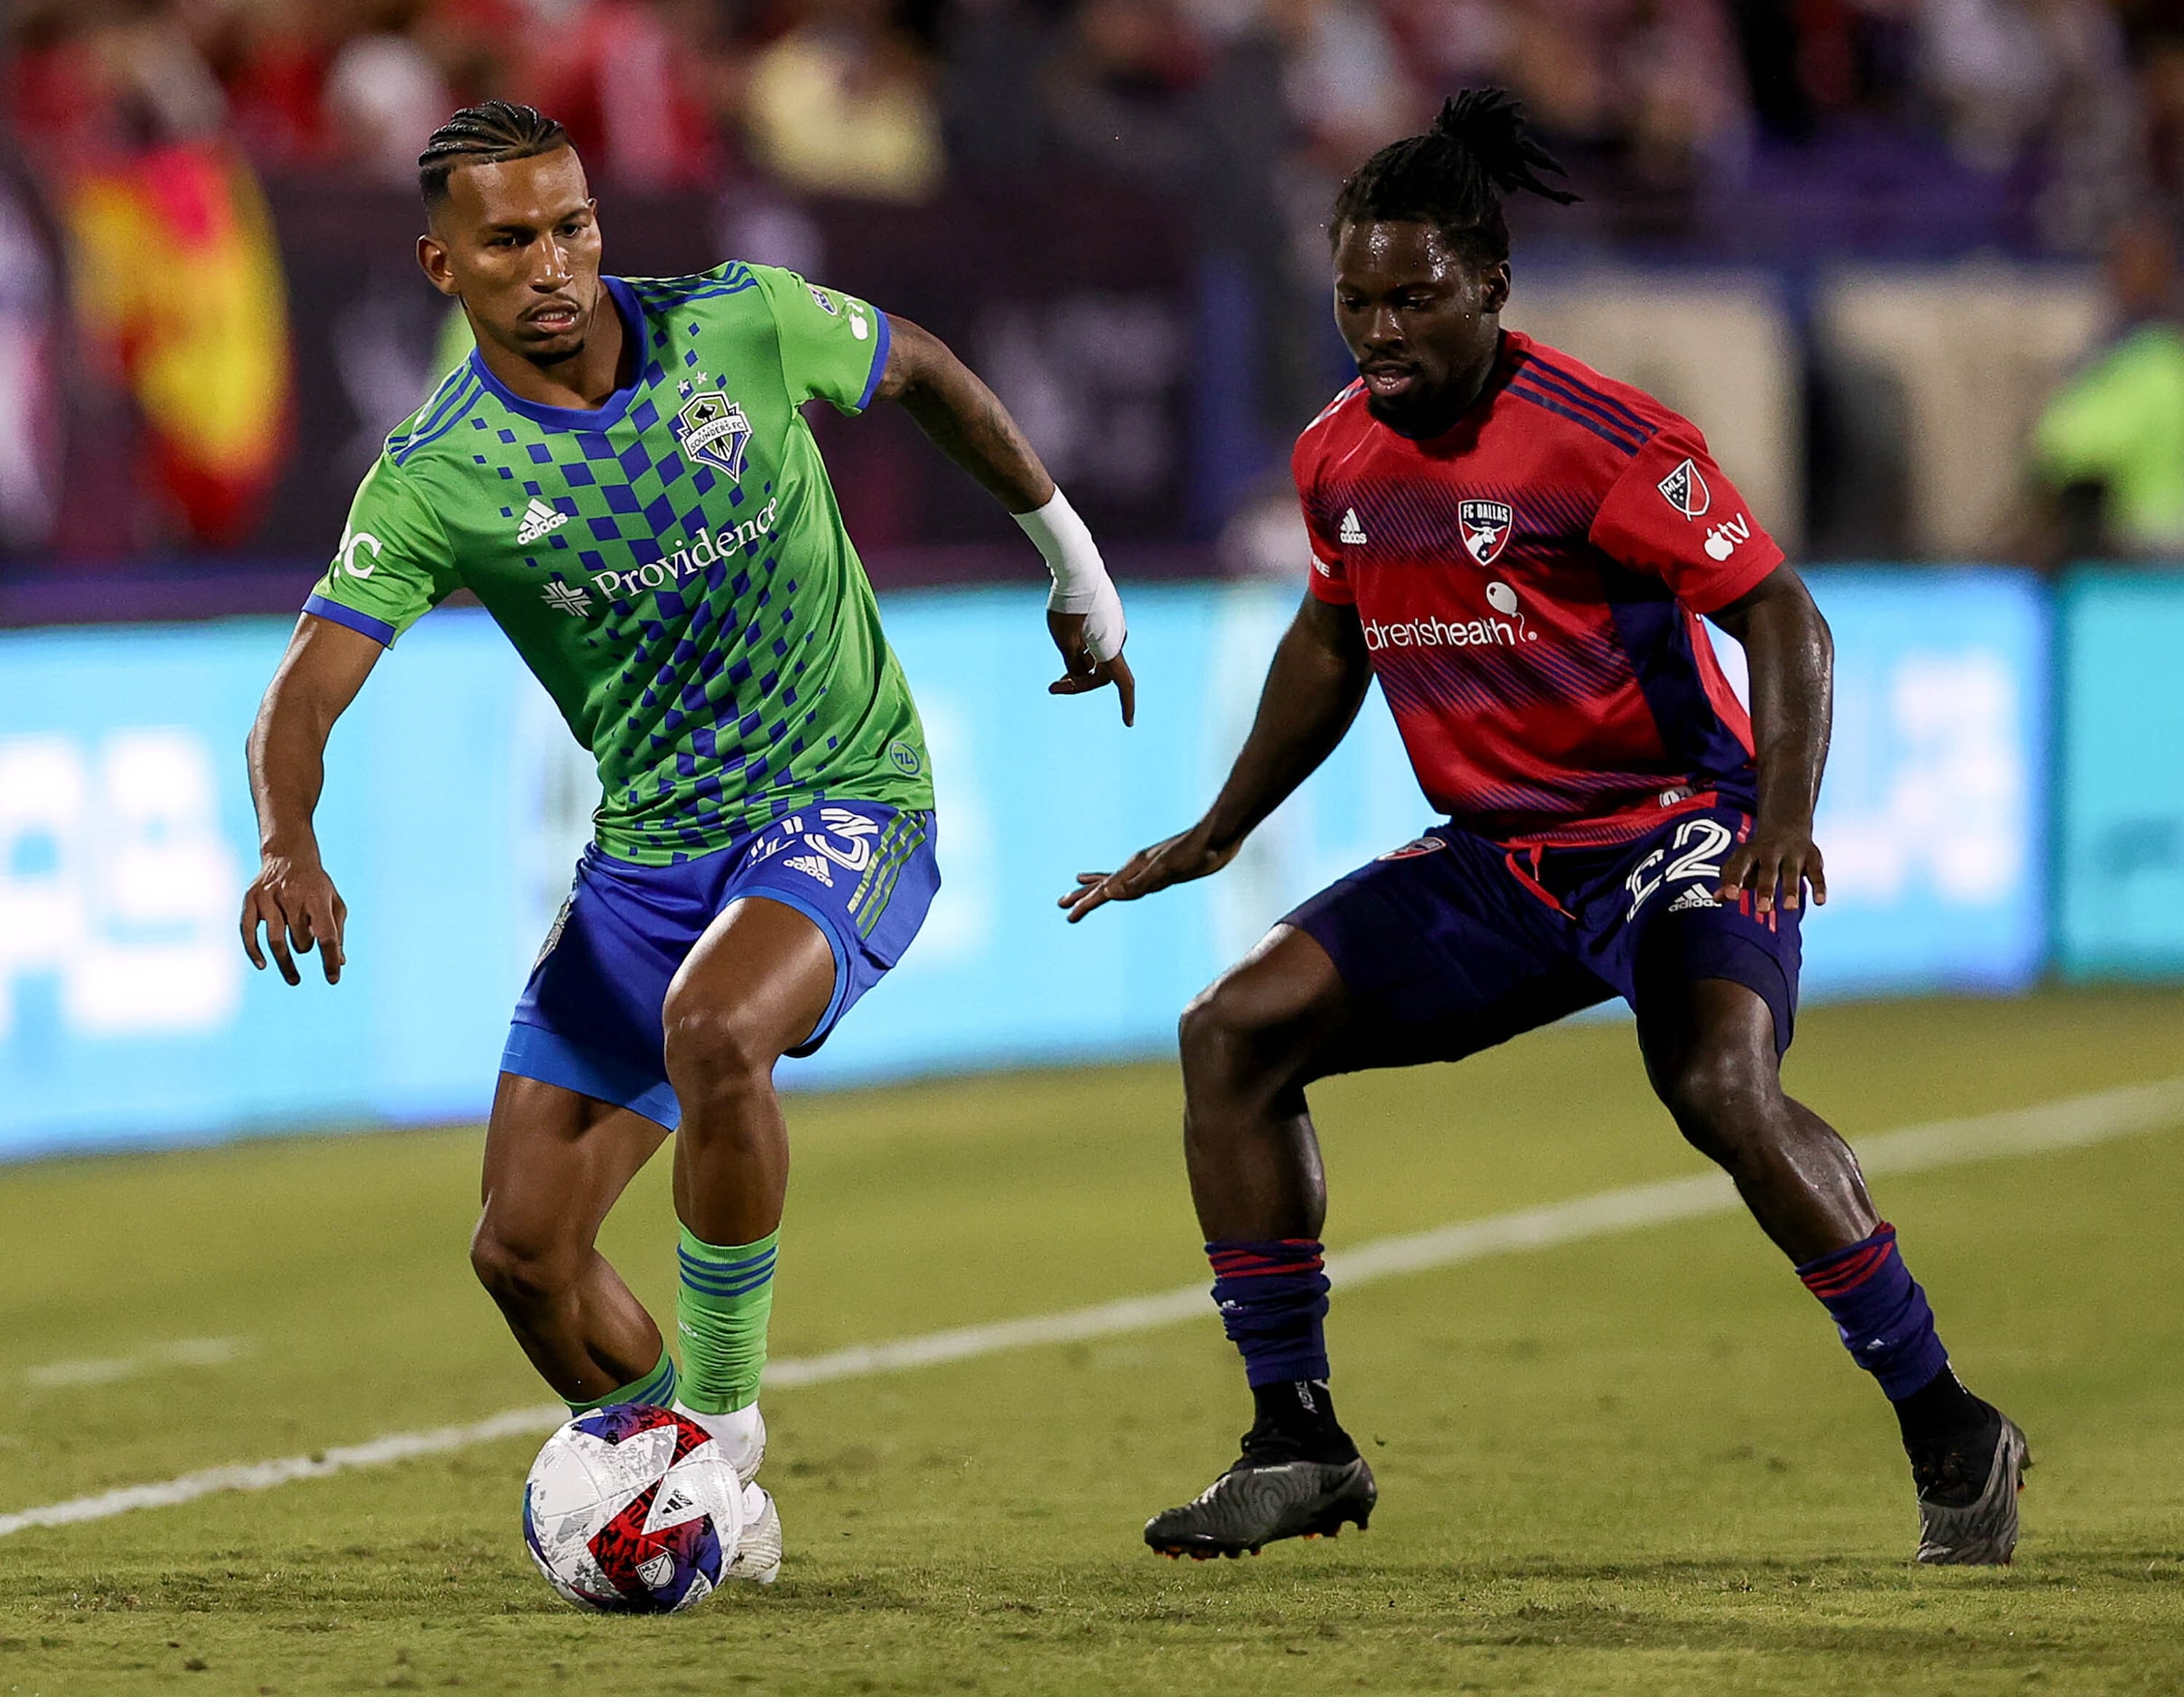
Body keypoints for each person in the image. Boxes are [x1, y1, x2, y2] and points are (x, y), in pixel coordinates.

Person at [1063, 90, 2027, 1567]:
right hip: (1498, 859)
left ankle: (1945, 1418)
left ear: (1491, 287)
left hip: (1669, 832)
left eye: (1413, 296)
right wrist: (1215, 827)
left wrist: (1779, 812)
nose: (1378, 330)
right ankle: (1297, 1435)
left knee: (1715, 1081)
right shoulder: (1338, 457)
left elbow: (1777, 608)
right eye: (1354, 299)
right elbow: (1331, 646)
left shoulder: (1603, 443)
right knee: (1230, 1030)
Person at [240, 100, 1133, 1585]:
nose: (553, 263)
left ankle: (719, 1429)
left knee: (717, 1028)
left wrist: (1075, 565)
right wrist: (287, 839)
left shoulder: (739, 325)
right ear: (440, 265)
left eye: (572, 225)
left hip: (845, 790)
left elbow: (924, 369)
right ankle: (684, 1493)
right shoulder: (438, 477)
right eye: (509, 239)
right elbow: (303, 688)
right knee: (520, 1253)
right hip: (652, 854)